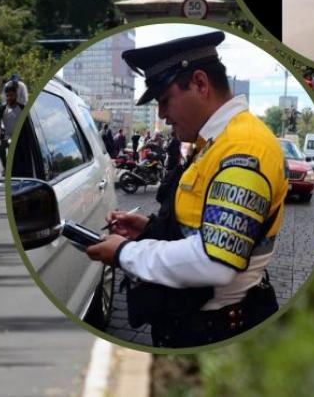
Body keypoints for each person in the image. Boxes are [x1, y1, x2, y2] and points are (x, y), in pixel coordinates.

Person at [83, 31, 287, 348]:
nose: (162, 115)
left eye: (165, 100)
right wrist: (151, 229)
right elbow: (203, 227)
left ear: (201, 84)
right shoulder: (215, 143)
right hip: (202, 326)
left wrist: (124, 253)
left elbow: (215, 262)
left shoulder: (243, 148)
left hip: (220, 332)